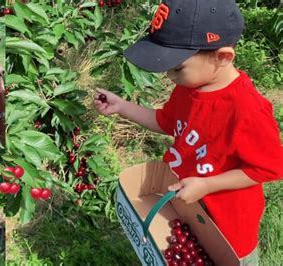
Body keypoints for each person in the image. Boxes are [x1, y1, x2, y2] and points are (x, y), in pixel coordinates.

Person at [94, 0, 283, 264]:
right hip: (188, 209)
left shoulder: (247, 110)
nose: (169, 75)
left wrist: (207, 185)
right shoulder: (188, 88)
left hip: (229, 229)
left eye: (177, 67)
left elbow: (268, 169)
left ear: (222, 57)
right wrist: (122, 107)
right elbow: (165, 122)